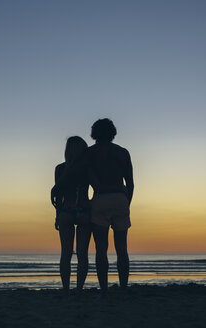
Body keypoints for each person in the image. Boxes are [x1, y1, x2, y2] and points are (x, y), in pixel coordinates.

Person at [53, 119, 134, 297]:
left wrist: (56, 191)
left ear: (94, 133)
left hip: (93, 203)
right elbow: (131, 183)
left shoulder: (88, 154)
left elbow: (74, 174)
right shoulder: (123, 152)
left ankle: (101, 290)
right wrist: (125, 202)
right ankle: (122, 288)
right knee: (121, 248)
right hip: (115, 200)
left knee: (98, 249)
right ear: (113, 132)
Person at [51, 136, 92, 296]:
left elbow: (58, 196)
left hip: (66, 211)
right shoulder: (87, 168)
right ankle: (79, 289)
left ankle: (66, 290)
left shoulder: (60, 169)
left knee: (65, 254)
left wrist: (57, 216)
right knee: (83, 254)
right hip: (84, 210)